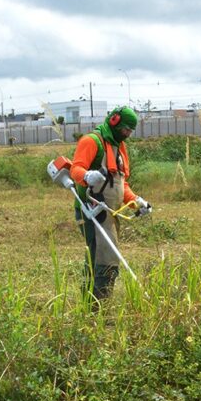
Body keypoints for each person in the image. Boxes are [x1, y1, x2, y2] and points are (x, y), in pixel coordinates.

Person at [69, 105, 151, 301]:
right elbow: (75, 169)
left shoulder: (119, 148)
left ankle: (92, 305)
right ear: (114, 121)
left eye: (131, 131)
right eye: (125, 130)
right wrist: (87, 176)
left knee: (101, 256)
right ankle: (97, 308)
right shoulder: (91, 141)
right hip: (92, 210)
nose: (127, 134)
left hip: (110, 212)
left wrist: (136, 201)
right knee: (104, 257)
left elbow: (121, 184)